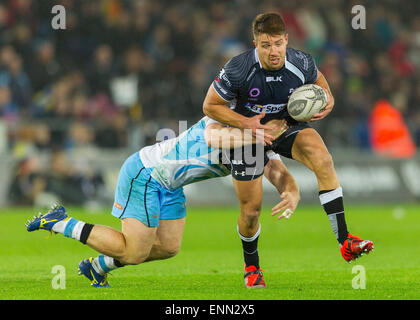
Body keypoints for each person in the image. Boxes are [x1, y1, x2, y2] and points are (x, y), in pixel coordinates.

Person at [202, 12, 374, 288]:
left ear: (286, 40)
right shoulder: (237, 69)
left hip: (282, 125)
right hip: (244, 133)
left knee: (322, 157)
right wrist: (248, 124)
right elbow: (210, 106)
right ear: (255, 43)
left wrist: (328, 100)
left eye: (278, 43)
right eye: (267, 45)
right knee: (251, 210)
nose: (274, 51)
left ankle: (345, 240)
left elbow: (321, 85)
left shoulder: (301, 61)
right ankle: (252, 267)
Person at [26, 116, 300, 288]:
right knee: (134, 252)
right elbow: (212, 135)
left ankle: (97, 266)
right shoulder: (227, 125)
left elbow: (277, 171)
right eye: (281, 123)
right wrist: (256, 135)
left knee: (169, 248)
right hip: (146, 174)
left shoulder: (258, 143)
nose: (284, 129)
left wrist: (290, 191)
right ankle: (61, 222)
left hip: (170, 185)